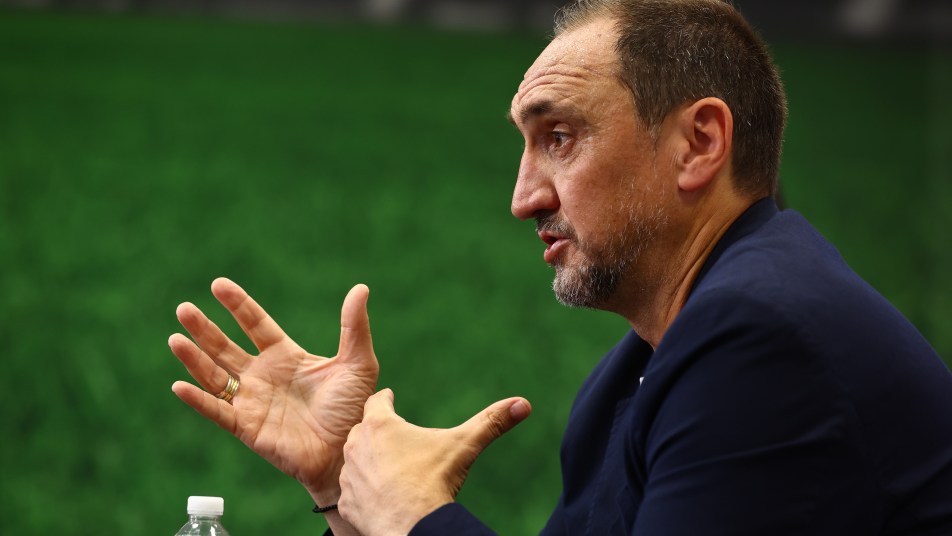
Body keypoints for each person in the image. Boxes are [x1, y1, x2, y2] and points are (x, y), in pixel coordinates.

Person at [169, 0, 952, 534]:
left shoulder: (762, 340)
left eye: (560, 138)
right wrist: (347, 486)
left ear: (699, 144)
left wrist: (418, 519)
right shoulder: (638, 370)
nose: (522, 198)